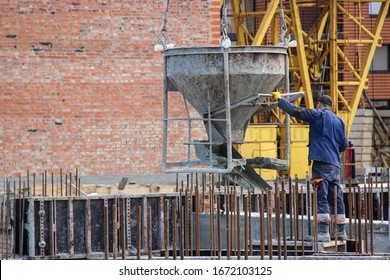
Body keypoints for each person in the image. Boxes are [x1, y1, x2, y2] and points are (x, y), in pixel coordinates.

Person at [272, 92, 349, 242]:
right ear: (331, 106)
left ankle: (323, 232)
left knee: (322, 195)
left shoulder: (318, 115)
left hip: (321, 162)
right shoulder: (339, 121)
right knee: (336, 197)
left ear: (319, 104)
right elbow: (344, 145)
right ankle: (340, 232)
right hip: (335, 165)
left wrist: (280, 101)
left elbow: (297, 111)